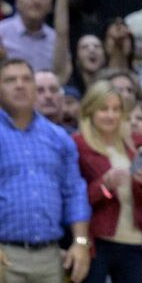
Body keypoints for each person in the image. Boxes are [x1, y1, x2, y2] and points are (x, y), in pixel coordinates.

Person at [0, 57, 93, 283]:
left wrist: (80, 243)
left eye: (26, 79)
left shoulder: (59, 137)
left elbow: (74, 191)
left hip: (50, 256)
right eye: (10, 80)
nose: (20, 85)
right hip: (4, 253)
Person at [72, 83, 142, 283]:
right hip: (97, 241)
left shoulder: (132, 144)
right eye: (104, 109)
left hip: (134, 240)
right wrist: (104, 186)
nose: (111, 115)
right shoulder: (78, 145)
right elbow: (75, 197)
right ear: (90, 111)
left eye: (116, 109)